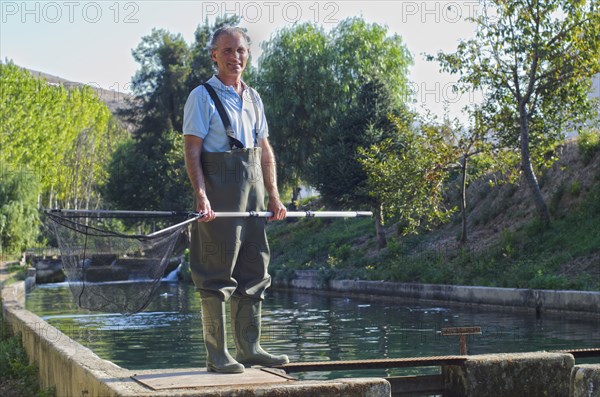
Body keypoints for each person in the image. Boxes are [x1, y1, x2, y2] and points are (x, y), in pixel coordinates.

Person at [182, 26, 289, 374]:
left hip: (255, 195)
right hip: (219, 198)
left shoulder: (254, 98)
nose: (235, 57)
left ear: (247, 54)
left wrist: (274, 195)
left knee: (255, 270)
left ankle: (250, 348)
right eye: (227, 50)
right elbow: (192, 150)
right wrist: (201, 194)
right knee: (215, 275)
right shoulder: (201, 96)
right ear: (214, 55)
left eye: (240, 50)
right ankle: (217, 354)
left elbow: (265, 150)